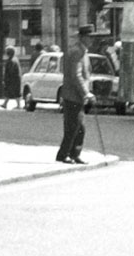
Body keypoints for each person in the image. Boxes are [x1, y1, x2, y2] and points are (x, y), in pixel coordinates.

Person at [56, 24, 97, 165]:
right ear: (82, 37)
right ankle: (64, 155)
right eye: (89, 37)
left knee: (79, 128)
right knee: (73, 127)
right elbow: (76, 75)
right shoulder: (77, 52)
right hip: (72, 96)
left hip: (77, 96)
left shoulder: (82, 52)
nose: (91, 40)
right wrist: (86, 93)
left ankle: (74, 154)